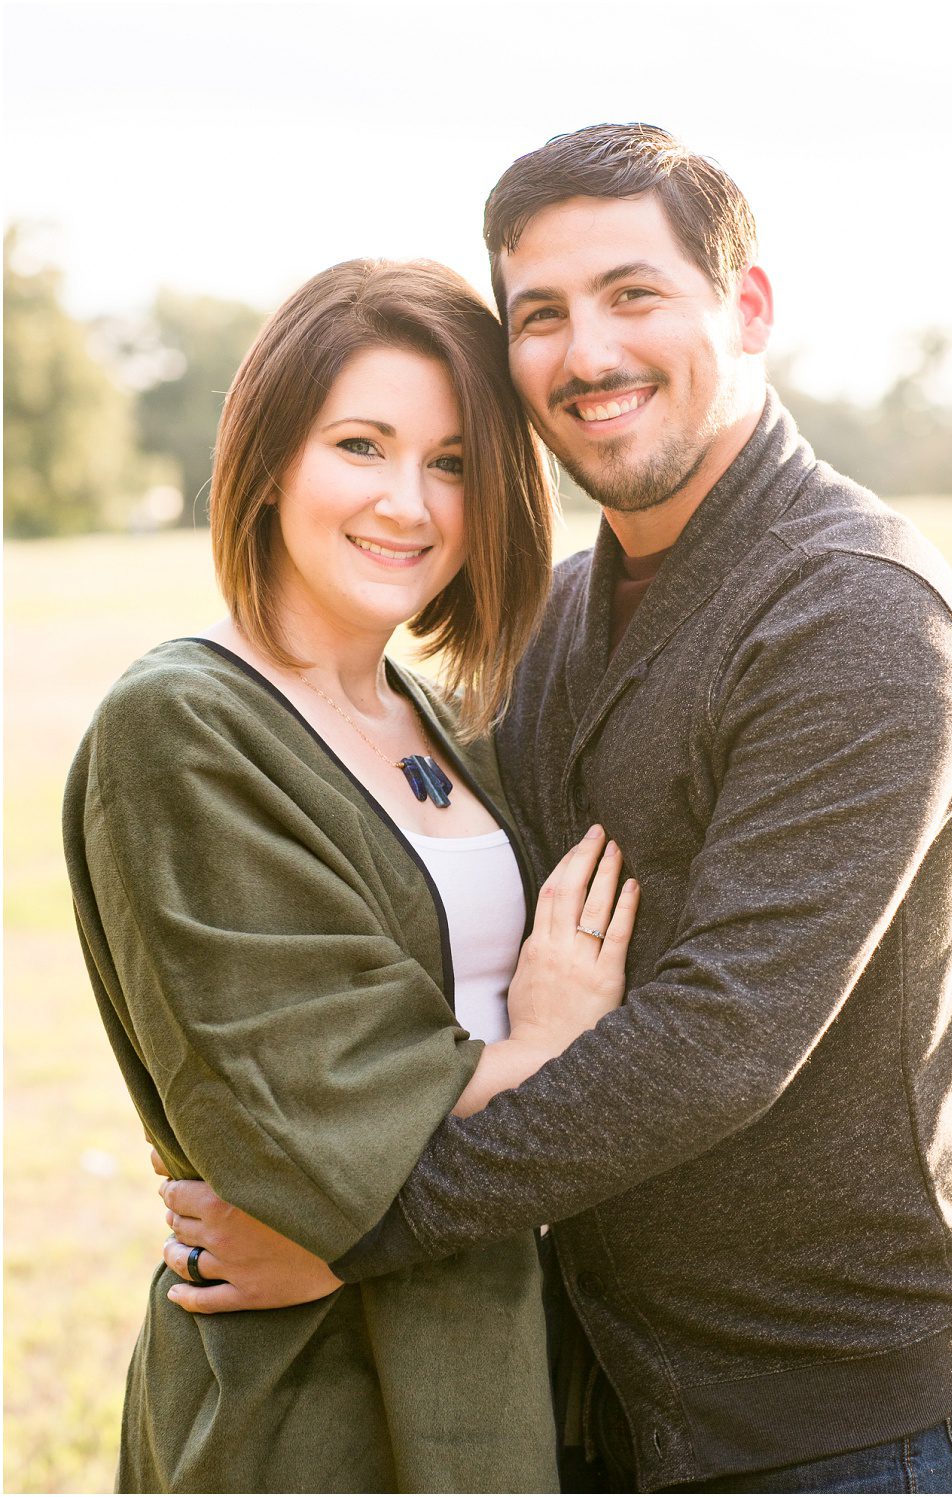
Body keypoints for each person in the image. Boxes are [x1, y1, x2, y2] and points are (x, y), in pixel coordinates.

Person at [161, 125, 952, 1494]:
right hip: (588, 1395)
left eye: (633, 293)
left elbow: (722, 1037)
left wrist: (357, 1229)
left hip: (829, 1418)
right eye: (539, 314)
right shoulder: (547, 620)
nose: (586, 352)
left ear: (748, 307)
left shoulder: (857, 612)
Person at [62, 256, 642, 1494]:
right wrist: (551, 1049)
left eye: (451, 463)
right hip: (313, 1403)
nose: (407, 503)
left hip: (495, 1367)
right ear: (272, 459)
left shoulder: (433, 717)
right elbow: (309, 1129)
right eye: (361, 446)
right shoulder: (182, 726)